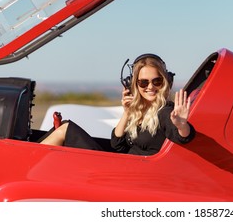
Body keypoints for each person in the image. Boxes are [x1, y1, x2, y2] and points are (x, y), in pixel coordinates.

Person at [39, 54, 195, 155]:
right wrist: (127, 112)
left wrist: (182, 126)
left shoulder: (164, 112)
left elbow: (183, 137)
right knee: (63, 127)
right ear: (134, 84)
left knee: (65, 131)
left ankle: (26, 163)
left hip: (132, 174)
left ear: (165, 82)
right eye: (143, 82)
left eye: (157, 81)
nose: (150, 87)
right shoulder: (140, 112)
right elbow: (117, 145)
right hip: (122, 164)